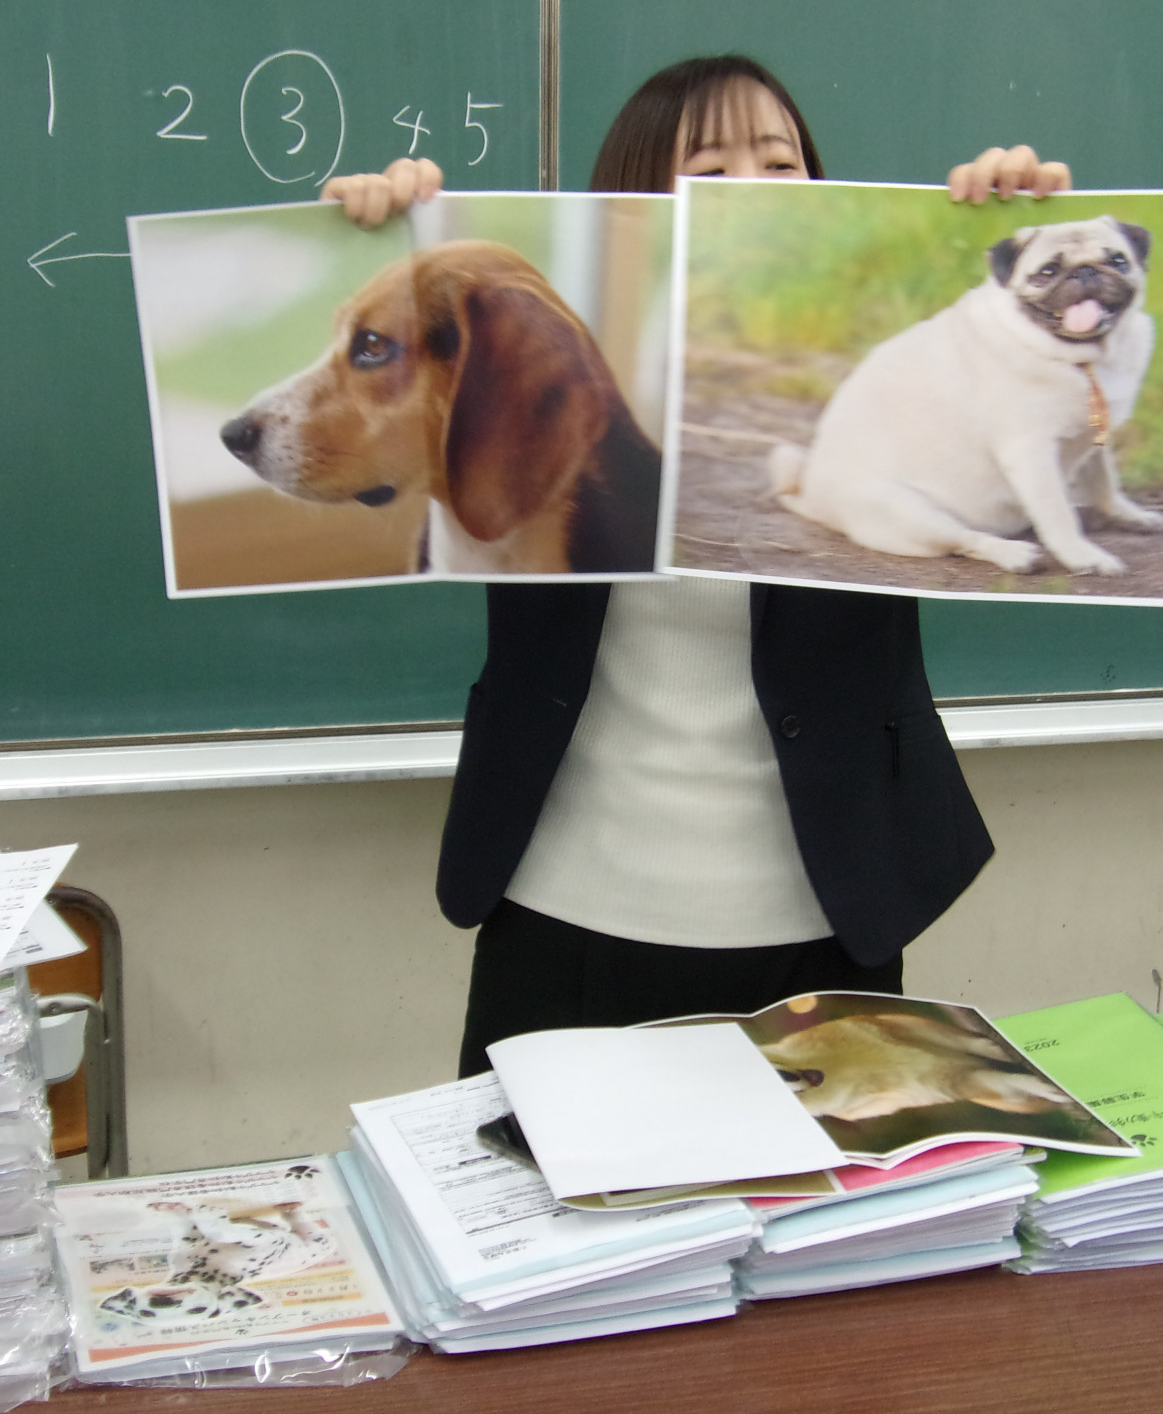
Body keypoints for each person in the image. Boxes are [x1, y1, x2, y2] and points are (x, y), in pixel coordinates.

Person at [322, 56, 1071, 1077]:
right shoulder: (549, 373)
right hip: (564, 902)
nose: (756, 185)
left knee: (817, 1222)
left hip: (827, 904)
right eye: (711, 163)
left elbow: (1017, 442)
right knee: (555, 1220)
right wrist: (387, 227)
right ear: (638, 197)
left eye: (780, 159)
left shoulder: (892, 349)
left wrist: (1005, 236)